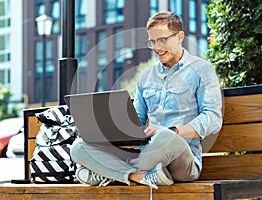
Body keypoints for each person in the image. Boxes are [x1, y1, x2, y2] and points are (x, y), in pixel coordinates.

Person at [70, 11, 222, 189]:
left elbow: (213, 118)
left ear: (180, 36)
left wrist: (174, 131)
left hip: (181, 159)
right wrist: (106, 134)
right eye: (152, 42)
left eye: (162, 40)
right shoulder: (147, 76)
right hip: (147, 155)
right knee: (78, 147)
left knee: (165, 136)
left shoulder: (202, 70)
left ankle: (111, 174)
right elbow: (136, 122)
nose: (157, 47)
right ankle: (138, 176)